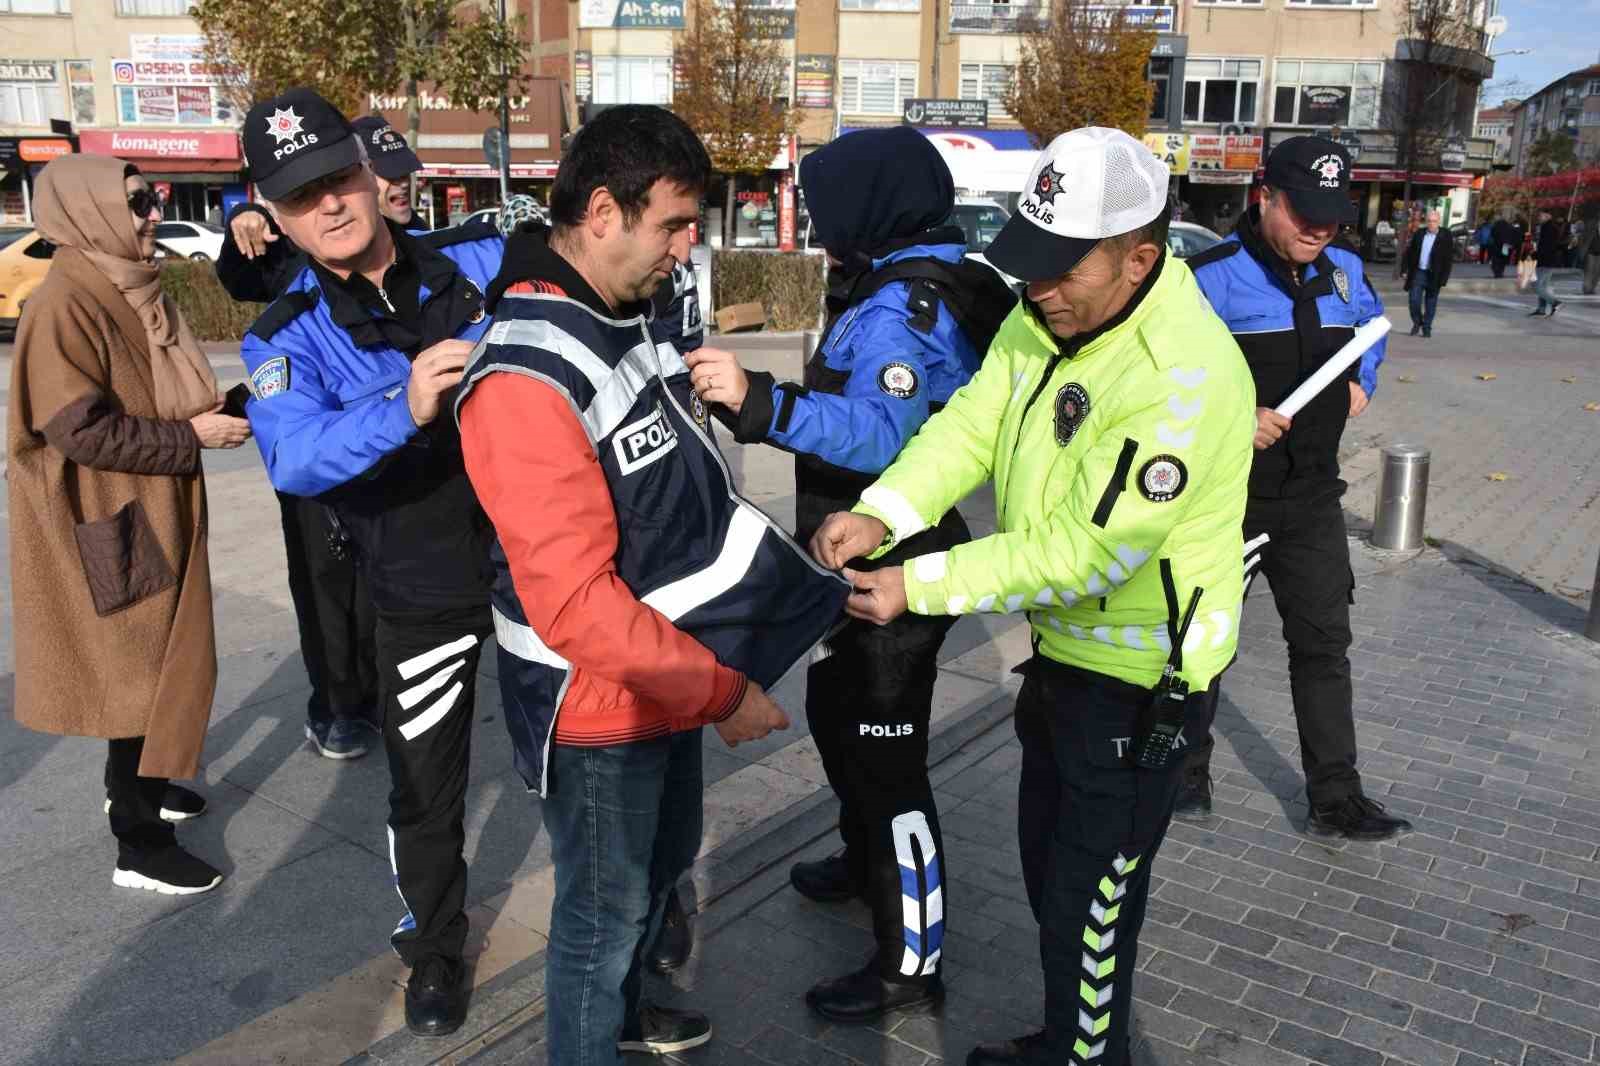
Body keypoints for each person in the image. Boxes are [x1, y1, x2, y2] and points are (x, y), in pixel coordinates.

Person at [810, 127, 1255, 1066]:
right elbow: (970, 426)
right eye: (1031, 261)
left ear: (1140, 258)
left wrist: (919, 581)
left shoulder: (1183, 376)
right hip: (1062, 659)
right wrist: (885, 510)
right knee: (1050, 880)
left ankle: (1085, 1051)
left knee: (1092, 914)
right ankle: (1065, 1040)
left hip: (1140, 679)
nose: (1039, 287)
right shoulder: (1042, 315)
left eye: (1063, 268)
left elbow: (1087, 554)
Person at [455, 104, 848, 1064]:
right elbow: (577, 604)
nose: (688, 248)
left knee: (658, 872)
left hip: (660, 676)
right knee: (601, 915)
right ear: (601, 211)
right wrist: (726, 693)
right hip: (597, 704)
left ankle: (627, 1018)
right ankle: (595, 1032)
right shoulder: (525, 376)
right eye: (674, 224)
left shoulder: (619, 312)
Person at [687, 126, 1016, 1024]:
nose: (820, 224)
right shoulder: (902, 276)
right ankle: (857, 855)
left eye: (830, 204)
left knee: (887, 764)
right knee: (841, 721)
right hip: (855, 554)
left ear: (874, 202)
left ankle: (911, 959)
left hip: (899, 565)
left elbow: (880, 434)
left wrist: (756, 402)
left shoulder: (911, 303)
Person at [235, 87, 504, 1037]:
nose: (333, 205)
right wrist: (407, 404)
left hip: (541, 567)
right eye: (302, 197)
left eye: (341, 178)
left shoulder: (484, 257)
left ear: (370, 172)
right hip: (416, 587)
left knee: (585, 756)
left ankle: (641, 904)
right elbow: (294, 456)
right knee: (424, 788)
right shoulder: (279, 335)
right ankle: (433, 953)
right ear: (273, 214)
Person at [8, 155, 252, 895]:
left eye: (153, 200)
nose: (152, 215)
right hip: (108, 513)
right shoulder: (65, 303)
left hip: (150, 506)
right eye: (139, 203)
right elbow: (79, 431)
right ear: (89, 211)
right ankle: (136, 842)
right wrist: (194, 439)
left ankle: (144, 787)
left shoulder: (128, 284)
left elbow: (154, 395)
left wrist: (227, 408)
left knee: (160, 659)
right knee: (137, 673)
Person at [1177, 136, 1410, 842]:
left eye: (1333, 217)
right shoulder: (1208, 278)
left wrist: (1361, 382)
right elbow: (1164, 378)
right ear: (1265, 198)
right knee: (1199, 644)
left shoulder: (1343, 269)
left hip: (1312, 498)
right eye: (1304, 212)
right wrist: (1229, 416)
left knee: (1324, 646)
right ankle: (1184, 776)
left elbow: (1372, 330)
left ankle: (1336, 798)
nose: (1319, 229)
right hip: (1226, 500)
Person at [214, 116, 431, 761]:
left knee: (380, 595)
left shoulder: (428, 253)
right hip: (320, 453)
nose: (397, 188)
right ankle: (335, 706)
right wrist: (241, 229)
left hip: (394, 462)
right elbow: (244, 281)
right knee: (326, 592)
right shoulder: (299, 257)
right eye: (306, 194)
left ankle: (387, 694)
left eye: (398, 175)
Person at [1402, 209, 1453, 338]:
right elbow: (1409, 253)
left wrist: (1444, 278)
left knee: (1431, 303)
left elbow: (1448, 259)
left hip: (1434, 274)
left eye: (1434, 221)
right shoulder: (1419, 234)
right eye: (1429, 221)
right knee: (1414, 300)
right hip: (1419, 272)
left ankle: (1427, 327)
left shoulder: (1445, 235)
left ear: (1439, 222)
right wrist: (1404, 269)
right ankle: (1417, 321)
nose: (1431, 224)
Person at [1530, 209, 1565, 317]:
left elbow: (1547, 246)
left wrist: (1535, 254)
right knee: (1543, 286)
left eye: (1541, 215)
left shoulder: (1548, 228)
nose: (1539, 217)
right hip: (1549, 260)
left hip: (1545, 260)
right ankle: (1541, 309)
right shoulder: (1550, 227)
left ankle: (1555, 302)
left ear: (1548, 216)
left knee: (1535, 285)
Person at [1489, 215, 1521, 279]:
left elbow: (1492, 234)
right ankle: (1500, 271)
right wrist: (1513, 243)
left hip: (1496, 244)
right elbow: (1515, 233)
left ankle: (1497, 272)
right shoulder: (1509, 226)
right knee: (1503, 258)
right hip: (1505, 245)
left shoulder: (1495, 226)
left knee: (1496, 258)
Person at [1584, 217, 1600, 296]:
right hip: (1591, 251)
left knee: (1597, 271)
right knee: (1589, 270)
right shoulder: (1591, 224)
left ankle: (1592, 287)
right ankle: (1587, 288)